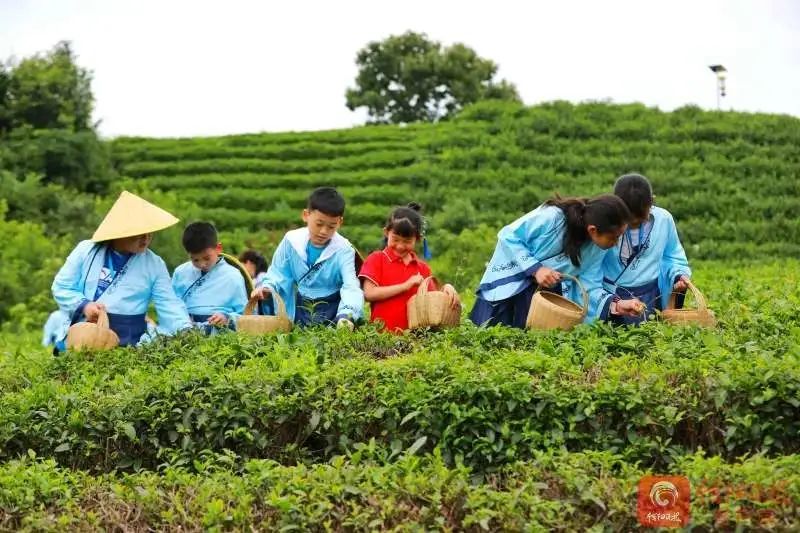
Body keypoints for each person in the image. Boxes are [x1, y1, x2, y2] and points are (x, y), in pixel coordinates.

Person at [51, 191, 192, 351]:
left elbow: (168, 302)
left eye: (150, 234)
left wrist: (185, 328)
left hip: (129, 341)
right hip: (83, 335)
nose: (146, 239)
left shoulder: (154, 263)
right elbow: (61, 287)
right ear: (121, 232)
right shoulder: (86, 250)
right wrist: (85, 305)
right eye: (140, 235)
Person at [469, 194, 636, 328]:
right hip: (511, 289)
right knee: (491, 336)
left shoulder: (597, 249)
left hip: (544, 299)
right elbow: (508, 235)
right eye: (614, 237)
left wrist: (617, 305)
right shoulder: (552, 217)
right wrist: (536, 269)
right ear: (593, 230)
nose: (616, 243)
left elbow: (588, 286)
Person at [250, 187, 363, 328]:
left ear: (340, 222)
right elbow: (278, 273)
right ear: (306, 215)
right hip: (300, 307)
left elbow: (351, 285)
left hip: (333, 309)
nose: (323, 231)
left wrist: (347, 314)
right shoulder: (291, 241)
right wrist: (267, 288)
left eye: (331, 227)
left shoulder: (344, 249)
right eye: (319, 224)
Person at [597, 173, 691, 325]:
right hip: (614, 294)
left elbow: (672, 255)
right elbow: (592, 266)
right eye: (628, 221)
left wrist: (678, 276)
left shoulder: (664, 219)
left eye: (639, 221)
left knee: (652, 337)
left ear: (651, 201)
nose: (633, 225)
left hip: (651, 293)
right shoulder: (606, 223)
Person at [359, 203, 459, 333]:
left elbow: (431, 301)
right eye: (395, 239)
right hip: (382, 338)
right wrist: (405, 286)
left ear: (417, 239)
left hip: (415, 341)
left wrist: (447, 289)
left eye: (407, 242)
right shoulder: (377, 259)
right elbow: (369, 293)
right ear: (386, 232)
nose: (400, 246)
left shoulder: (422, 268)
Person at [172, 222, 248, 333]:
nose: (202, 264)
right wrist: (180, 318)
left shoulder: (233, 276)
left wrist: (227, 317)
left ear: (218, 248)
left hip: (220, 332)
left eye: (207, 258)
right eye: (195, 260)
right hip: (185, 331)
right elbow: (171, 306)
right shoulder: (180, 273)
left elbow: (246, 314)